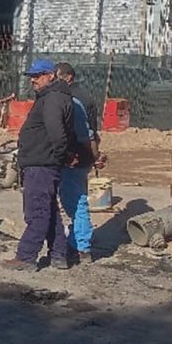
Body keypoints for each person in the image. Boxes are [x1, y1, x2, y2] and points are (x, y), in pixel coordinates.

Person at [4, 59, 74, 271]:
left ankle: (26, 257)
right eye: (31, 76)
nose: (33, 80)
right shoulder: (53, 97)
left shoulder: (52, 100)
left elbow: (57, 133)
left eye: (38, 75)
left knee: (37, 212)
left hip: (41, 164)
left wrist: (58, 155)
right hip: (44, 162)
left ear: (51, 75)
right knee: (49, 210)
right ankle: (59, 255)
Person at [55, 62, 105, 264]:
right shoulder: (86, 97)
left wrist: (91, 155)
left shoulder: (73, 100)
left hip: (74, 156)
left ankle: (81, 246)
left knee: (75, 201)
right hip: (83, 155)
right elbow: (93, 131)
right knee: (77, 198)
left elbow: (86, 133)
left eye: (57, 77)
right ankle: (79, 241)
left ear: (68, 77)